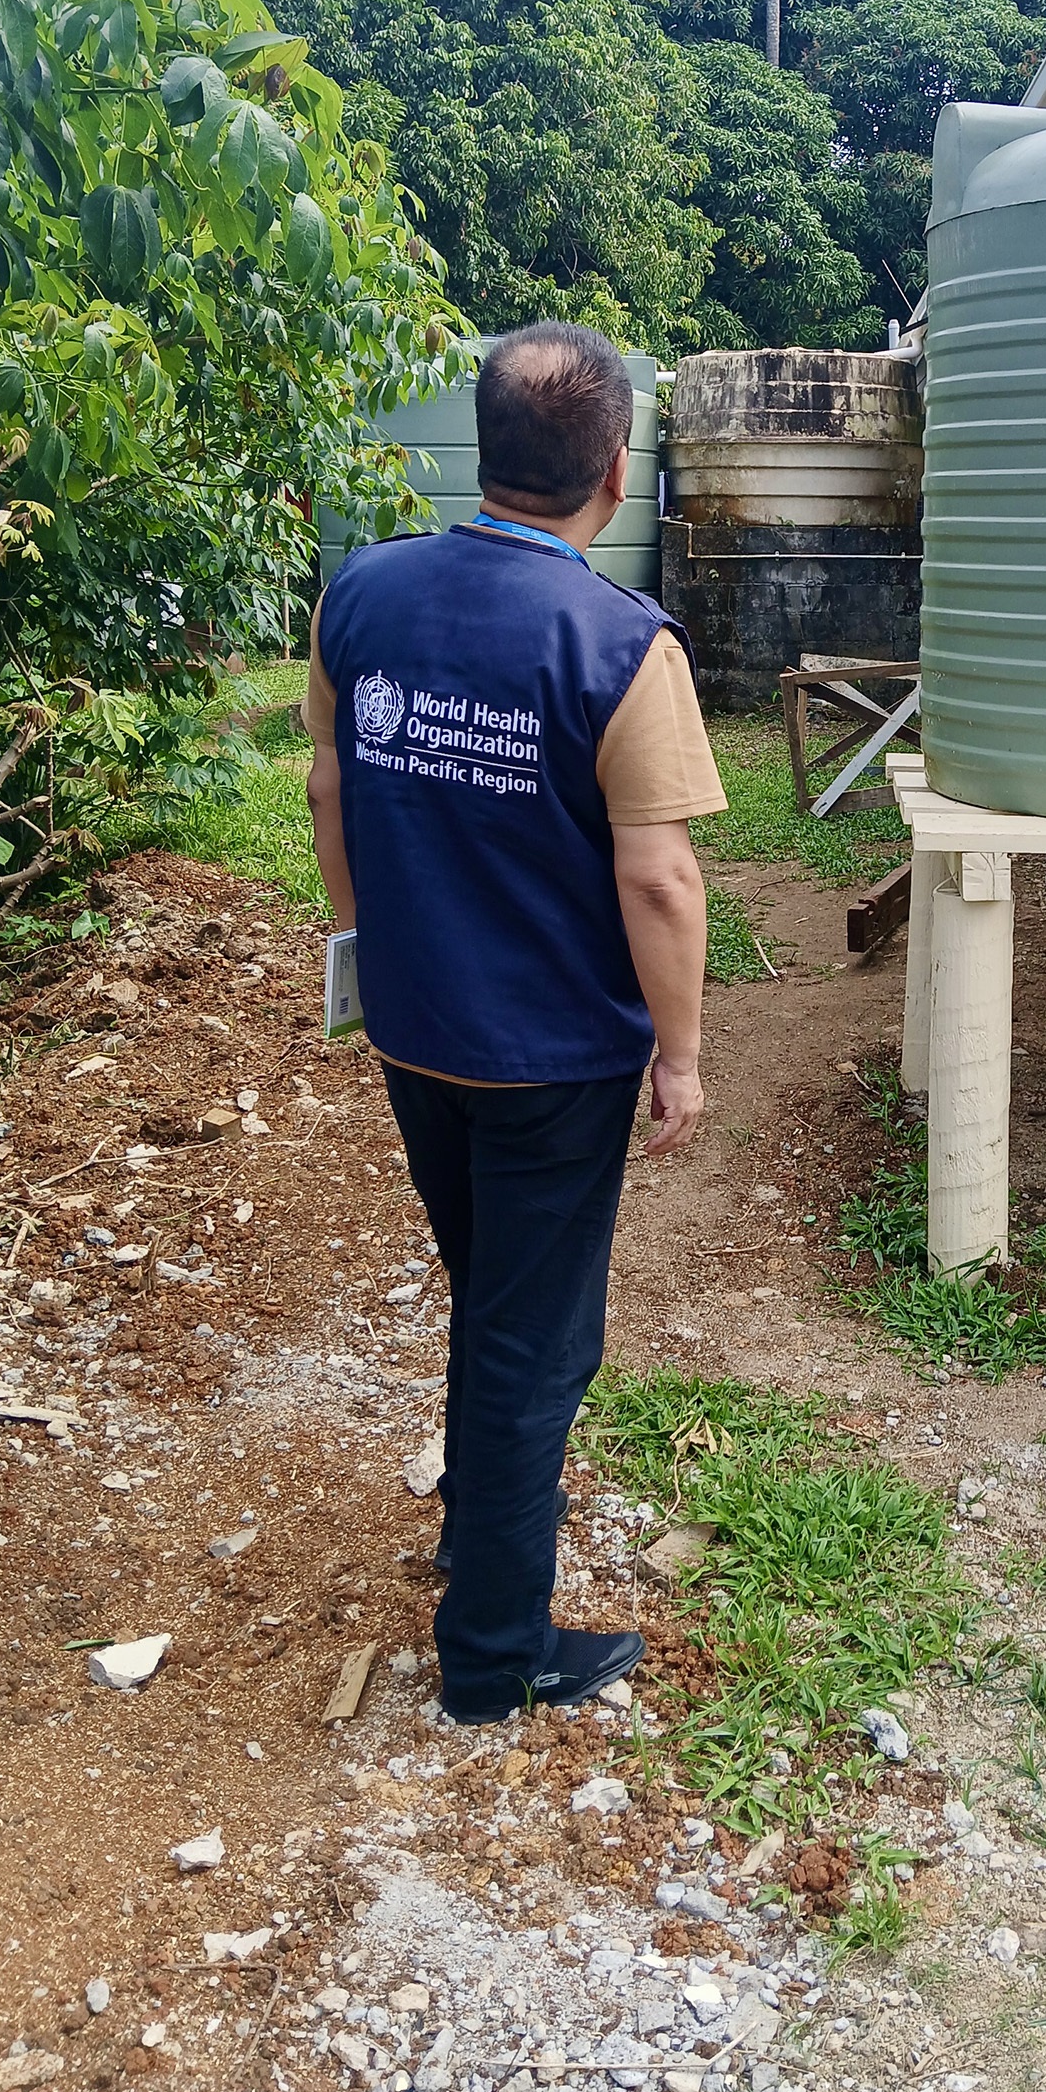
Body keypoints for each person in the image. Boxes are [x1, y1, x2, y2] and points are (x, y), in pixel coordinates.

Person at [303, 321, 726, 1725]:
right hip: (551, 1058)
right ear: (615, 472)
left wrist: (370, 947)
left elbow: (326, 790)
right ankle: (492, 1652)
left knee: (488, 1294)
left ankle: (472, 1536)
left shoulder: (359, 595)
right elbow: (658, 875)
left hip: (416, 1030)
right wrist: (682, 1056)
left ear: (486, 450)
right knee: (535, 1339)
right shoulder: (618, 644)